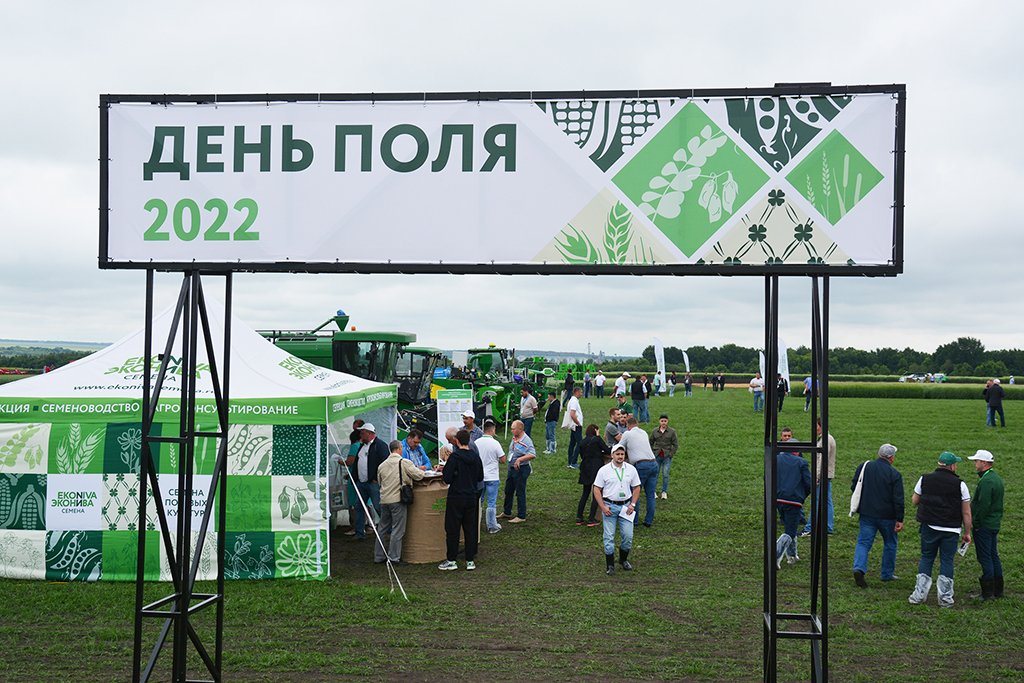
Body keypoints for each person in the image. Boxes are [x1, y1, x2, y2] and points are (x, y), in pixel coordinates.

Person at [908, 452, 972, 608]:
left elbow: (915, 500)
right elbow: (966, 512)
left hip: (929, 526)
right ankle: (945, 598)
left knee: (927, 557)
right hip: (951, 529)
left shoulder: (924, 479)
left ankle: (919, 595)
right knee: (947, 560)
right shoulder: (960, 485)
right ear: (952, 466)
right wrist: (967, 532)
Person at [850, 444, 904, 587]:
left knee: (863, 542)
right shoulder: (894, 474)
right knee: (890, 543)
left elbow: (854, 486)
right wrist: (900, 519)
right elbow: (898, 499)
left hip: (867, 513)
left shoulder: (864, 467)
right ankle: (887, 574)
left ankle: (859, 568)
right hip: (888, 516)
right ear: (891, 458)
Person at [438, 429, 484, 571]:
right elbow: (480, 477)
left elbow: (447, 478)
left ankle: (452, 560)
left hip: (456, 496)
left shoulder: (455, 457)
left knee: (453, 528)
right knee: (470, 528)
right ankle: (470, 560)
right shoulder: (475, 457)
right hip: (471, 496)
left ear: (457, 441)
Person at [374, 440, 426, 564]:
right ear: (399, 448)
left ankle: (379, 556)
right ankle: (394, 557)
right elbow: (419, 475)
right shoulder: (404, 462)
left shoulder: (382, 465)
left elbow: (380, 482)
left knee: (382, 528)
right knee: (397, 529)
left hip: (384, 499)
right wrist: (422, 470)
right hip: (397, 499)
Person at [593, 444, 641, 575]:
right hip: (610, 506)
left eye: (622, 454)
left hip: (626, 507)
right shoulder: (604, 470)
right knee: (609, 537)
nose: (620, 456)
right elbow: (596, 489)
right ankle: (610, 565)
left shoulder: (631, 469)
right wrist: (602, 506)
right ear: (612, 455)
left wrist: (632, 504)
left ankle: (623, 559)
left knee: (628, 536)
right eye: (617, 454)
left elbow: (637, 487)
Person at [968, 449, 1004, 600]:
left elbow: (983, 505)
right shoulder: (995, 478)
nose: (975, 464)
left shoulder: (987, 481)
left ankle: (987, 593)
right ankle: (998, 590)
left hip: (984, 525)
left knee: (985, 557)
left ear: (984, 462)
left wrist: (975, 522)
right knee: (993, 555)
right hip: (993, 523)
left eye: (976, 461)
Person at [346, 423, 389, 541]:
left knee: (378, 507)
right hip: (362, 482)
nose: (360, 434)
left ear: (369, 433)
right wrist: (354, 477)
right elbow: (357, 462)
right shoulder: (362, 446)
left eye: (362, 432)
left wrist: (376, 478)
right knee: (359, 507)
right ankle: (360, 533)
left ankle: (388, 530)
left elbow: (385, 464)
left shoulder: (380, 446)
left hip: (373, 483)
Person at [776, 426, 811, 567]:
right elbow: (808, 483)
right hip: (794, 501)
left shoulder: (776, 459)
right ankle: (775, 555)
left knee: (790, 526)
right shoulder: (801, 462)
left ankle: (792, 555)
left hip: (778, 499)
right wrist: (802, 496)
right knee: (790, 531)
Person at [619, 416, 658, 527]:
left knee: (635, 492)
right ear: (637, 424)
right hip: (653, 463)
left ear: (628, 425)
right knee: (650, 494)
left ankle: (634, 520)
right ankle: (648, 521)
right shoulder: (644, 432)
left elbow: (619, 447)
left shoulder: (627, 434)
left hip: (641, 465)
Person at [801, 418, 836, 536]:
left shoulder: (826, 439)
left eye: (816, 426)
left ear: (821, 426)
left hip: (822, 476)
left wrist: (816, 476)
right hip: (825, 475)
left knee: (817, 501)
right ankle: (827, 527)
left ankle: (810, 527)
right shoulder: (826, 438)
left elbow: (822, 459)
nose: (814, 428)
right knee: (826, 500)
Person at [499, 420, 536, 523]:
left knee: (520, 492)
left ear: (520, 429)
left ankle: (521, 516)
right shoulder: (515, 437)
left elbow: (532, 454)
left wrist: (520, 459)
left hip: (521, 469)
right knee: (508, 490)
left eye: (513, 429)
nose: (511, 430)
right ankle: (507, 512)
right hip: (512, 468)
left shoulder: (526, 440)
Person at [476, 419, 507, 534]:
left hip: (479, 477)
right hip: (492, 477)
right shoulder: (495, 443)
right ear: (492, 430)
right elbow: (503, 459)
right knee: (491, 502)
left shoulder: (477, 442)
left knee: (478, 501)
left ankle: (476, 523)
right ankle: (492, 526)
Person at [577, 424, 611, 525]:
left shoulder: (582, 441)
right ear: (595, 430)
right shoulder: (597, 440)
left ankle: (579, 517)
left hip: (585, 467)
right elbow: (607, 450)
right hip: (596, 467)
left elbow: (582, 455)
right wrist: (599, 436)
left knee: (585, 493)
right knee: (597, 493)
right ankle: (591, 518)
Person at [649, 414, 679, 500]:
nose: (663, 423)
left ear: (667, 421)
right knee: (655, 474)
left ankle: (664, 492)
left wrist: (671, 454)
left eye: (665, 421)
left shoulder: (672, 432)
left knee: (665, 474)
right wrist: (652, 453)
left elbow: (675, 444)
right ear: (659, 421)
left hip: (667, 456)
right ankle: (653, 491)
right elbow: (650, 442)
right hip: (657, 455)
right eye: (662, 421)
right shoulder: (655, 431)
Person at [564, 386, 584, 469]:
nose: (582, 394)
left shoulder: (573, 400)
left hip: (574, 425)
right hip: (576, 425)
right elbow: (572, 414)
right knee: (580, 443)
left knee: (572, 443)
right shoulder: (574, 401)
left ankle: (570, 461)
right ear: (576, 392)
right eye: (581, 392)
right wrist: (578, 423)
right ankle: (573, 462)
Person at [543, 390, 559, 454]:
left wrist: (549, 419)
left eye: (548, 397)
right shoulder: (552, 403)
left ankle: (552, 449)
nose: (548, 398)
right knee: (548, 435)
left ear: (552, 397)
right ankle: (548, 448)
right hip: (548, 421)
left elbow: (554, 414)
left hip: (551, 421)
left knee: (551, 435)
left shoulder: (555, 404)